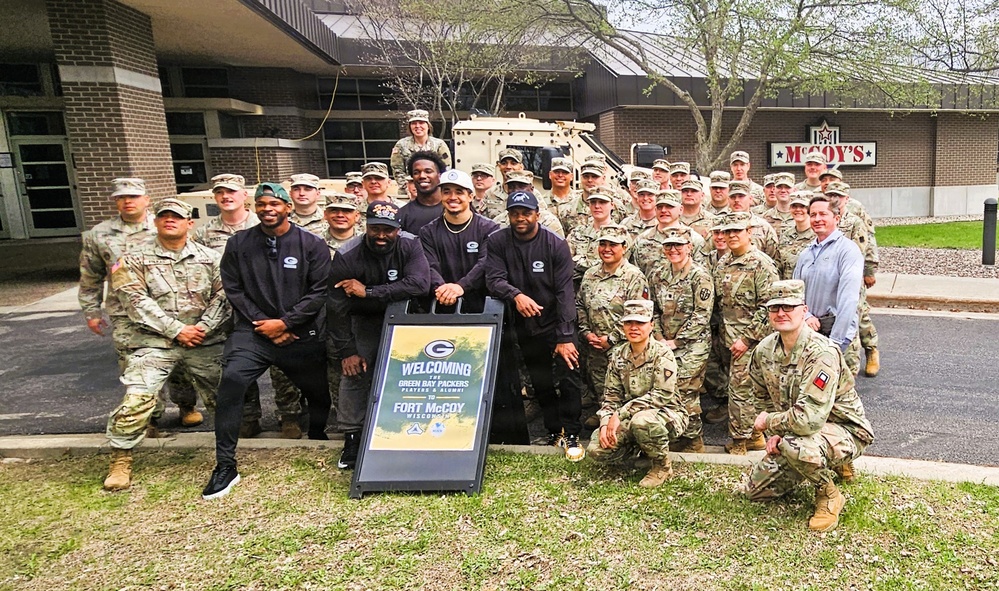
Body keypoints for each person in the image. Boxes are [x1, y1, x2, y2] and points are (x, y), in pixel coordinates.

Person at [203, 182, 332, 500]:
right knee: (232, 381)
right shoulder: (239, 243)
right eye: (261, 204)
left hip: (298, 331)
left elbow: (319, 291)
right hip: (254, 331)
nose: (267, 209)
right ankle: (225, 465)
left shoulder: (310, 244)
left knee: (318, 391)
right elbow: (233, 288)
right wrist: (265, 324)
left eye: (274, 203)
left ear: (288, 207)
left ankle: (318, 438)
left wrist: (287, 323)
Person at [103, 198, 229, 491]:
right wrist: (176, 330)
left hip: (203, 340)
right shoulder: (131, 260)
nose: (169, 220)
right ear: (155, 221)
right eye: (163, 217)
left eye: (176, 216)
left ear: (189, 223)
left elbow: (224, 297)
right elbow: (134, 301)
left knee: (228, 398)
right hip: (153, 343)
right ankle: (121, 460)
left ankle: (230, 453)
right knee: (137, 400)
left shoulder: (212, 258)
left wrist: (203, 328)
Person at [742, 280, 875, 532]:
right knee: (756, 491)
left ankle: (829, 494)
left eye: (789, 307)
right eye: (775, 308)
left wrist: (772, 426)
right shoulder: (764, 351)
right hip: (797, 429)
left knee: (795, 446)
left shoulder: (821, 353)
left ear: (804, 311)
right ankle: (825, 461)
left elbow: (809, 420)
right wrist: (773, 435)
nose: (781, 313)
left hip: (845, 429)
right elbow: (760, 399)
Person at [79, 177, 200, 429]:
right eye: (121, 197)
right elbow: (91, 274)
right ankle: (150, 417)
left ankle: (186, 405)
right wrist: (91, 310)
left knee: (179, 361)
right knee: (135, 364)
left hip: (170, 306)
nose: (127, 201)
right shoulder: (99, 234)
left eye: (133, 197)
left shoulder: (165, 224)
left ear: (146, 200)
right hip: (125, 312)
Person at [329, 201, 432, 469]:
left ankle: (405, 432)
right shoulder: (347, 254)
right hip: (364, 320)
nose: (382, 235)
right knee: (355, 373)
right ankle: (352, 438)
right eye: (376, 229)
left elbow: (420, 284)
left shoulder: (411, 244)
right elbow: (336, 308)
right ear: (366, 226)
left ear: (398, 229)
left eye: (389, 230)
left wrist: (371, 291)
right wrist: (347, 351)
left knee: (412, 376)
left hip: (407, 317)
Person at [485, 190, 585, 461]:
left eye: (526, 213)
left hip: (557, 321)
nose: (520, 218)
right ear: (508, 215)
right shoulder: (497, 241)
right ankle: (555, 431)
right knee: (540, 380)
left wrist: (565, 336)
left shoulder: (555, 244)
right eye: (515, 213)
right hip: (525, 324)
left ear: (537, 215)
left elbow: (565, 292)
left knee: (569, 377)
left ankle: (573, 433)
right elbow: (493, 279)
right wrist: (515, 295)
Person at [587, 300, 687, 488]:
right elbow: (611, 396)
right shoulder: (618, 355)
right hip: (629, 416)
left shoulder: (662, 354)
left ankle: (662, 466)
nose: (633, 328)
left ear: (651, 325)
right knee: (596, 450)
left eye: (640, 323)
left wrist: (621, 414)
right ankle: (638, 450)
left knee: (642, 421)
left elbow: (662, 395)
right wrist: (605, 422)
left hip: (667, 413)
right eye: (628, 323)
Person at [712, 212, 779, 454]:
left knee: (740, 390)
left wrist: (747, 339)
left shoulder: (761, 264)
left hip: (751, 341)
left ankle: (741, 441)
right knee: (741, 388)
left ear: (749, 233)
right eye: (727, 232)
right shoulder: (724, 263)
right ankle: (754, 434)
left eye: (736, 231)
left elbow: (769, 306)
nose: (731, 236)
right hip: (728, 339)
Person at [576, 224, 649, 430]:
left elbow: (638, 314)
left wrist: (612, 339)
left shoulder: (634, 277)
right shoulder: (590, 275)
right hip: (594, 344)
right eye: (603, 244)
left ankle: (626, 425)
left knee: (626, 386)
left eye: (613, 245)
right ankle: (604, 416)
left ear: (624, 247)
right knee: (601, 384)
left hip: (623, 346)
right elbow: (580, 304)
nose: (607, 249)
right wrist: (586, 332)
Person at [648, 229, 714, 452]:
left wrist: (677, 342)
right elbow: (653, 309)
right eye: (668, 246)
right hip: (664, 342)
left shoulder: (700, 276)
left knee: (685, 388)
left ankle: (694, 440)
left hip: (693, 344)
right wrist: (658, 337)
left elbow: (702, 315)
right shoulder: (658, 274)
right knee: (666, 388)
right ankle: (680, 433)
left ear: (689, 247)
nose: (673, 250)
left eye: (678, 245)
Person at [793, 194, 864, 376]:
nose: (817, 219)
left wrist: (836, 344)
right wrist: (806, 315)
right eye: (813, 214)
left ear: (836, 218)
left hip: (834, 334)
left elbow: (848, 300)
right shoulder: (806, 254)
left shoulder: (848, 251)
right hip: (808, 333)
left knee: (834, 395)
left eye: (823, 214)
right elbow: (796, 293)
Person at [420, 169, 500, 312]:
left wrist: (461, 286)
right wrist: (443, 290)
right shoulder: (428, 232)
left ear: (470, 196)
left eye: (459, 192)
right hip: (440, 303)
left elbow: (485, 264)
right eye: (446, 192)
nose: (452, 197)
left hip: (480, 307)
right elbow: (429, 266)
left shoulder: (489, 228)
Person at [825, 181, 881, 377]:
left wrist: (869, 270)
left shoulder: (854, 222)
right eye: (830, 195)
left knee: (858, 317)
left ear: (846, 199)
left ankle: (870, 350)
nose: (834, 199)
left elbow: (862, 249)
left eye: (838, 196)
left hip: (850, 279)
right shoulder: (824, 219)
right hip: (829, 280)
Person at [631, 186, 706, 275]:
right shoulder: (642, 240)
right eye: (660, 207)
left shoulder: (694, 240)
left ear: (681, 210)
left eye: (669, 207)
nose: (663, 210)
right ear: (655, 210)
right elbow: (635, 275)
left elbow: (702, 275)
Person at [192, 174, 259, 252]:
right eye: (219, 192)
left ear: (245, 195)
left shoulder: (261, 225)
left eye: (231, 191)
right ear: (215, 197)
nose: (225, 196)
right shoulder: (204, 232)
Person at [389, 109, 452, 192]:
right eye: (414, 123)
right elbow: (397, 169)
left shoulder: (439, 145)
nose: (417, 126)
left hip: (434, 189)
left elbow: (446, 168)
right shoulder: (401, 145)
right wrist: (407, 188)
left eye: (421, 123)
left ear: (428, 126)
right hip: (409, 191)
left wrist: (438, 187)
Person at [566, 187, 617, 287]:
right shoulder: (577, 233)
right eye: (593, 202)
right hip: (575, 291)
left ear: (612, 205)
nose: (597, 206)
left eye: (602, 202)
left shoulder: (619, 235)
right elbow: (565, 261)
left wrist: (578, 262)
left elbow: (611, 268)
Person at [727, 180, 781, 265]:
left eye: (741, 196)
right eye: (733, 196)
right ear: (728, 199)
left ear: (750, 199)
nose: (736, 200)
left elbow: (774, 261)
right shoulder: (720, 226)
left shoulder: (763, 227)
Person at [397, 150, 445, 234]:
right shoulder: (403, 214)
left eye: (428, 171)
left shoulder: (454, 208)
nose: (422, 176)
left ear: (439, 175)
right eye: (416, 172)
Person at [777, 191, 815, 280]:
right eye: (794, 206)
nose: (798, 210)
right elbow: (779, 265)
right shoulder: (785, 236)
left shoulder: (818, 236)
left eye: (802, 206)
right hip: (788, 289)